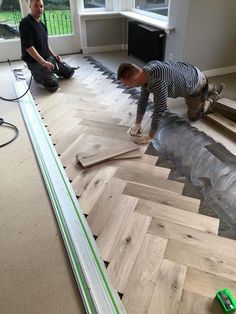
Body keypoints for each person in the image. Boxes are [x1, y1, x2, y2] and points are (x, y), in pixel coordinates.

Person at [117, 61, 224, 144]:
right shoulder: (145, 72)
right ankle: (209, 87)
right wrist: (137, 123)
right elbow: (143, 99)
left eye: (127, 84)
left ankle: (213, 94)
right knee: (197, 90)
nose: (127, 87)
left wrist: (150, 136)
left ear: (134, 80)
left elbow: (160, 109)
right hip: (188, 73)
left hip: (195, 83)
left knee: (194, 116)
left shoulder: (158, 82)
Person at [19, 0, 74, 92]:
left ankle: (50, 70)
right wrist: (43, 62)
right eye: (36, 6)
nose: (39, 9)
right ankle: (37, 73)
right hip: (35, 62)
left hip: (47, 58)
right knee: (53, 85)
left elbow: (45, 42)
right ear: (30, 6)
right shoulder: (25, 23)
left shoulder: (41, 24)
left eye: (41, 6)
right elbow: (28, 47)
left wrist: (53, 55)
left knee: (69, 72)